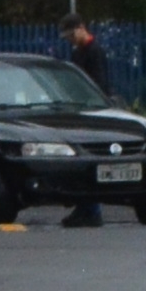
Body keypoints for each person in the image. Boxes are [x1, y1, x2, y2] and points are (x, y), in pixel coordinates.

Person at [57, 20, 117, 226]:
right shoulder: (78, 53)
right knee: (81, 159)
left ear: (81, 28)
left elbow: (99, 82)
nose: (71, 41)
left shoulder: (95, 51)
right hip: (80, 109)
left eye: (71, 35)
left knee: (90, 158)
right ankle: (85, 207)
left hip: (93, 111)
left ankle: (91, 209)